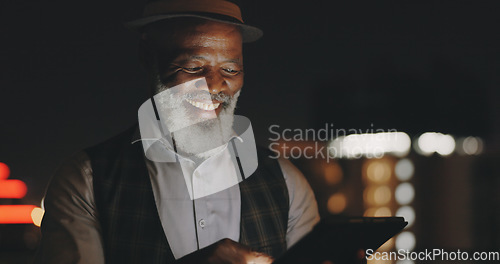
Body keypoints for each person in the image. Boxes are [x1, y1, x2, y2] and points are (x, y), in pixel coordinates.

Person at [35, 0, 320, 263]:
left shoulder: (286, 182)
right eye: (194, 66)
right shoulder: (86, 181)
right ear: (148, 57)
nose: (215, 86)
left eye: (231, 70)